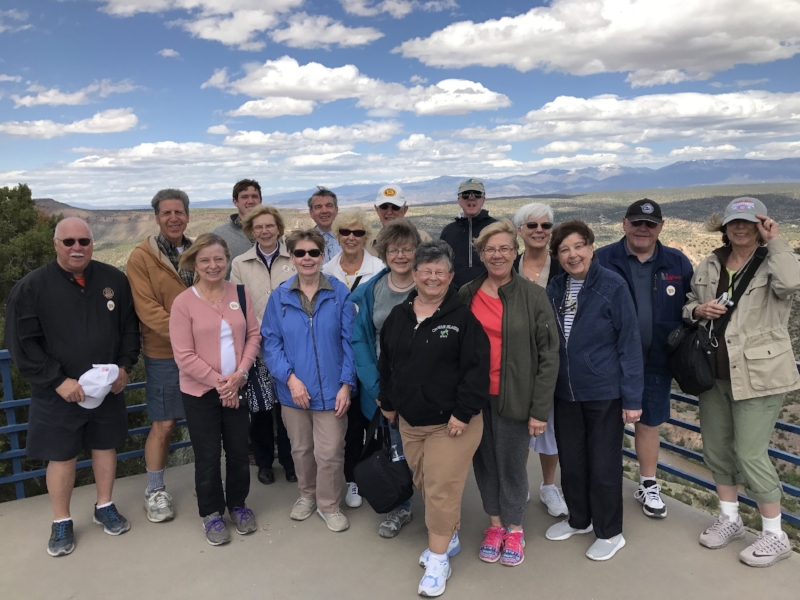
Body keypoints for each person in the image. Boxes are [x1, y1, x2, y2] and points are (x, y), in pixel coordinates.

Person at [4, 217, 140, 557]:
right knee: (61, 455)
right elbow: (23, 343)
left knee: (105, 446)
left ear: (92, 243)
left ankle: (104, 506)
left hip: (106, 388)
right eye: (69, 242)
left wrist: (125, 366)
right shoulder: (31, 287)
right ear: (56, 245)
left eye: (84, 241)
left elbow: (129, 327)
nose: (77, 247)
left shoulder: (113, 280)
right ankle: (61, 521)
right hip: (58, 392)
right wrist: (57, 381)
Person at [683, 197, 800, 567]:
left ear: (760, 225)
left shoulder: (773, 262)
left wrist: (776, 241)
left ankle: (774, 534)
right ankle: (730, 519)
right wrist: (697, 310)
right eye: (734, 221)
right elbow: (688, 303)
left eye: (749, 222)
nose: (740, 227)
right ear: (724, 226)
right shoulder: (709, 263)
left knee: (750, 453)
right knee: (717, 449)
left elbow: (793, 283)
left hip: (759, 375)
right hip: (713, 374)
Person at [378, 240, 490, 597]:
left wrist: (462, 413)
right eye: (425, 271)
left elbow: (477, 371)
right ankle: (449, 531)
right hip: (411, 421)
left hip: (452, 424)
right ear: (414, 274)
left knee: (441, 488)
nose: (432, 277)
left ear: (450, 276)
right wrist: (388, 401)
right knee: (425, 480)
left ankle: (439, 559)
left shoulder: (462, 320)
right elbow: (388, 362)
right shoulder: (400, 316)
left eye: (439, 271)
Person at [459, 219, 560, 567]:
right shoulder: (467, 293)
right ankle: (495, 525)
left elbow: (549, 354)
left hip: (515, 395)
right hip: (475, 398)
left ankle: (515, 529)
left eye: (504, 248)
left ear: (514, 252)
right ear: (481, 254)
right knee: (484, 462)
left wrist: (539, 409)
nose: (497, 254)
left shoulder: (533, 296)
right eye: (490, 249)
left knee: (513, 465)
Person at [544, 220, 643, 562]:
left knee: (603, 465)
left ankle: (610, 532)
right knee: (572, 461)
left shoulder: (612, 285)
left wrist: (632, 398)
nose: (572, 255)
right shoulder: (555, 288)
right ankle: (580, 519)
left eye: (578, 246)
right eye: (564, 249)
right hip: (566, 392)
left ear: (591, 248)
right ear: (557, 256)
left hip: (603, 391)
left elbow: (629, 343)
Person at [596, 199, 693, 519]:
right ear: (624, 223)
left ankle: (648, 484)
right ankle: (602, 483)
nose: (643, 228)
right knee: (605, 424)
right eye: (636, 222)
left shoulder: (677, 263)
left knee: (649, 422)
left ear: (661, 227)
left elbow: (692, 307)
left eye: (650, 224)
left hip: (656, 360)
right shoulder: (603, 259)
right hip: (609, 359)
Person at [169, 233, 261, 546]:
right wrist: (222, 384)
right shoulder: (183, 303)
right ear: (194, 262)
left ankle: (238, 504)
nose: (213, 265)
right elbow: (183, 356)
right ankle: (211, 513)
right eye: (205, 260)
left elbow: (253, 336)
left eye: (219, 258)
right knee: (207, 455)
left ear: (227, 260)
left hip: (237, 384)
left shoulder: (240, 293)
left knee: (238, 450)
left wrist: (239, 374)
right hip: (201, 393)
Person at [262, 229, 356, 533]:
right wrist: (290, 380)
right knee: (301, 450)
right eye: (300, 253)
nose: (307, 258)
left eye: (313, 253)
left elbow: (351, 342)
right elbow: (270, 343)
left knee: (329, 452)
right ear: (292, 257)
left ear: (322, 255)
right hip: (294, 392)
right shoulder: (279, 296)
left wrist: (346, 384)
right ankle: (307, 495)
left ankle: (329, 504)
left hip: (332, 391)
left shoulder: (339, 293)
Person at [350, 219, 422, 538]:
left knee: (431, 451)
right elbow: (360, 341)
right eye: (394, 249)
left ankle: (440, 513)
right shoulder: (370, 291)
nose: (401, 255)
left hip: (425, 387)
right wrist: (377, 388)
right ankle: (400, 507)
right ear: (384, 253)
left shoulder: (430, 285)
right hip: (386, 387)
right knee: (396, 448)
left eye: (408, 248)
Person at [125, 188, 194, 524]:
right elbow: (147, 310)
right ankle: (154, 490)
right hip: (164, 352)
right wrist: (193, 333)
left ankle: (207, 481)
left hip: (203, 353)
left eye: (178, 212)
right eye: (166, 213)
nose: (173, 218)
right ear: (156, 218)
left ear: (187, 215)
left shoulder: (198, 251)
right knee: (164, 423)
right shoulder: (142, 258)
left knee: (204, 419)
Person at [321, 210, 385, 508]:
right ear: (337, 235)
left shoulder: (380, 269)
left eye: (358, 233)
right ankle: (352, 479)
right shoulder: (325, 271)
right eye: (345, 231)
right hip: (337, 358)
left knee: (370, 420)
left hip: (370, 355)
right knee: (344, 422)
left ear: (366, 237)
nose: (351, 237)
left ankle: (372, 476)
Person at [230, 205, 297, 485]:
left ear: (278, 228)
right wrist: (260, 334)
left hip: (291, 346)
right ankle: (264, 462)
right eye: (258, 227)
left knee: (288, 407)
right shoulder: (239, 264)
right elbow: (237, 306)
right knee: (260, 409)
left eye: (269, 226)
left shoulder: (294, 259)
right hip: (255, 348)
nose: (265, 231)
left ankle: (290, 461)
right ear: (251, 231)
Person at [511, 202, 568, 518]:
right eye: (532, 226)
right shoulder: (508, 266)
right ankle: (518, 486)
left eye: (545, 226)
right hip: (515, 362)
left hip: (552, 359)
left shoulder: (562, 267)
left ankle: (548, 485)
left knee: (549, 428)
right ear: (519, 231)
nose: (539, 231)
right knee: (515, 427)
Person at [439, 178, 497, 289]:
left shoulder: (495, 228)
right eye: (466, 194)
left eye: (477, 194)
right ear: (459, 200)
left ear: (483, 199)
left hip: (491, 294)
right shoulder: (448, 231)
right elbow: (440, 265)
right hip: (455, 297)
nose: (471, 198)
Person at [212, 179, 263, 276]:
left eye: (254, 196)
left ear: (260, 200)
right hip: (232, 290)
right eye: (244, 197)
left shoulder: (273, 234)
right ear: (235, 202)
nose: (250, 201)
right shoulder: (218, 235)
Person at [367, 184, 432, 255]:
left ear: (405, 209)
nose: (389, 212)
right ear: (376, 209)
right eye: (384, 206)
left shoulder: (424, 239)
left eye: (395, 207)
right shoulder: (367, 242)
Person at [307, 187, 341, 264]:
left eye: (329, 206)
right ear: (311, 213)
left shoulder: (350, 238)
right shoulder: (305, 240)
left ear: (336, 210)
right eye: (318, 207)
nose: (324, 211)